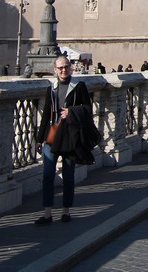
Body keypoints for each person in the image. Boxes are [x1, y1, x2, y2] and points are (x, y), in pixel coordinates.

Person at [35, 57, 91, 225]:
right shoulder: (51, 88)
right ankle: (47, 213)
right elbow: (46, 114)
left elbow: (88, 109)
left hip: (69, 137)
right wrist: (39, 139)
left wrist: (71, 112)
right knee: (48, 175)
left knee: (68, 175)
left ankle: (66, 210)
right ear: (55, 69)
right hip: (52, 136)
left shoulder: (79, 87)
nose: (63, 70)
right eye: (60, 68)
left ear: (71, 68)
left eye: (66, 67)